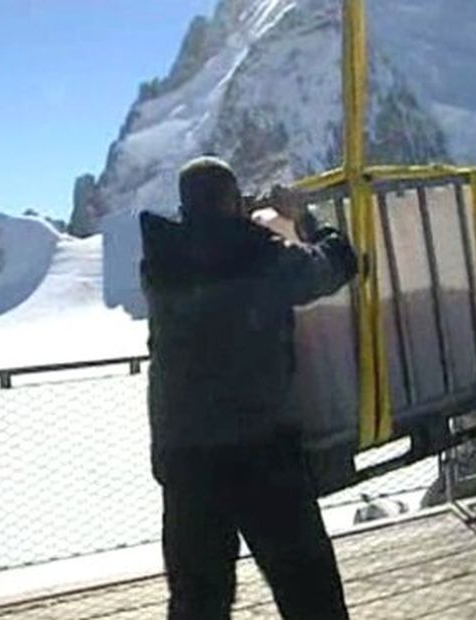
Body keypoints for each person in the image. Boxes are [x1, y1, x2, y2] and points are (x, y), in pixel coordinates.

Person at [140, 156, 355, 619]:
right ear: (234, 201)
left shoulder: (159, 263)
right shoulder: (262, 256)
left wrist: (237, 216)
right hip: (261, 452)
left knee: (198, 602)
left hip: (185, 458)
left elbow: (208, 245)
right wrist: (302, 217)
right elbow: (337, 263)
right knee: (310, 593)